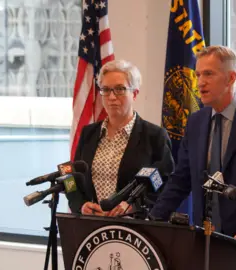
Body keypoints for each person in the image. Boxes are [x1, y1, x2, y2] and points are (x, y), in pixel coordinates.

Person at [150, 45, 236, 270]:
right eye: (197, 74)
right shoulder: (195, 122)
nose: (200, 82)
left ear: (230, 78)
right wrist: (152, 220)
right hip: (205, 248)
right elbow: (181, 180)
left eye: (208, 74)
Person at [70, 59, 174, 217]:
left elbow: (166, 184)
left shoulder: (154, 136)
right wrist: (81, 205)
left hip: (135, 229)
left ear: (135, 93)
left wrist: (133, 205)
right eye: (106, 89)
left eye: (119, 89)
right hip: (93, 227)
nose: (112, 97)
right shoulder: (88, 134)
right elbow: (72, 179)